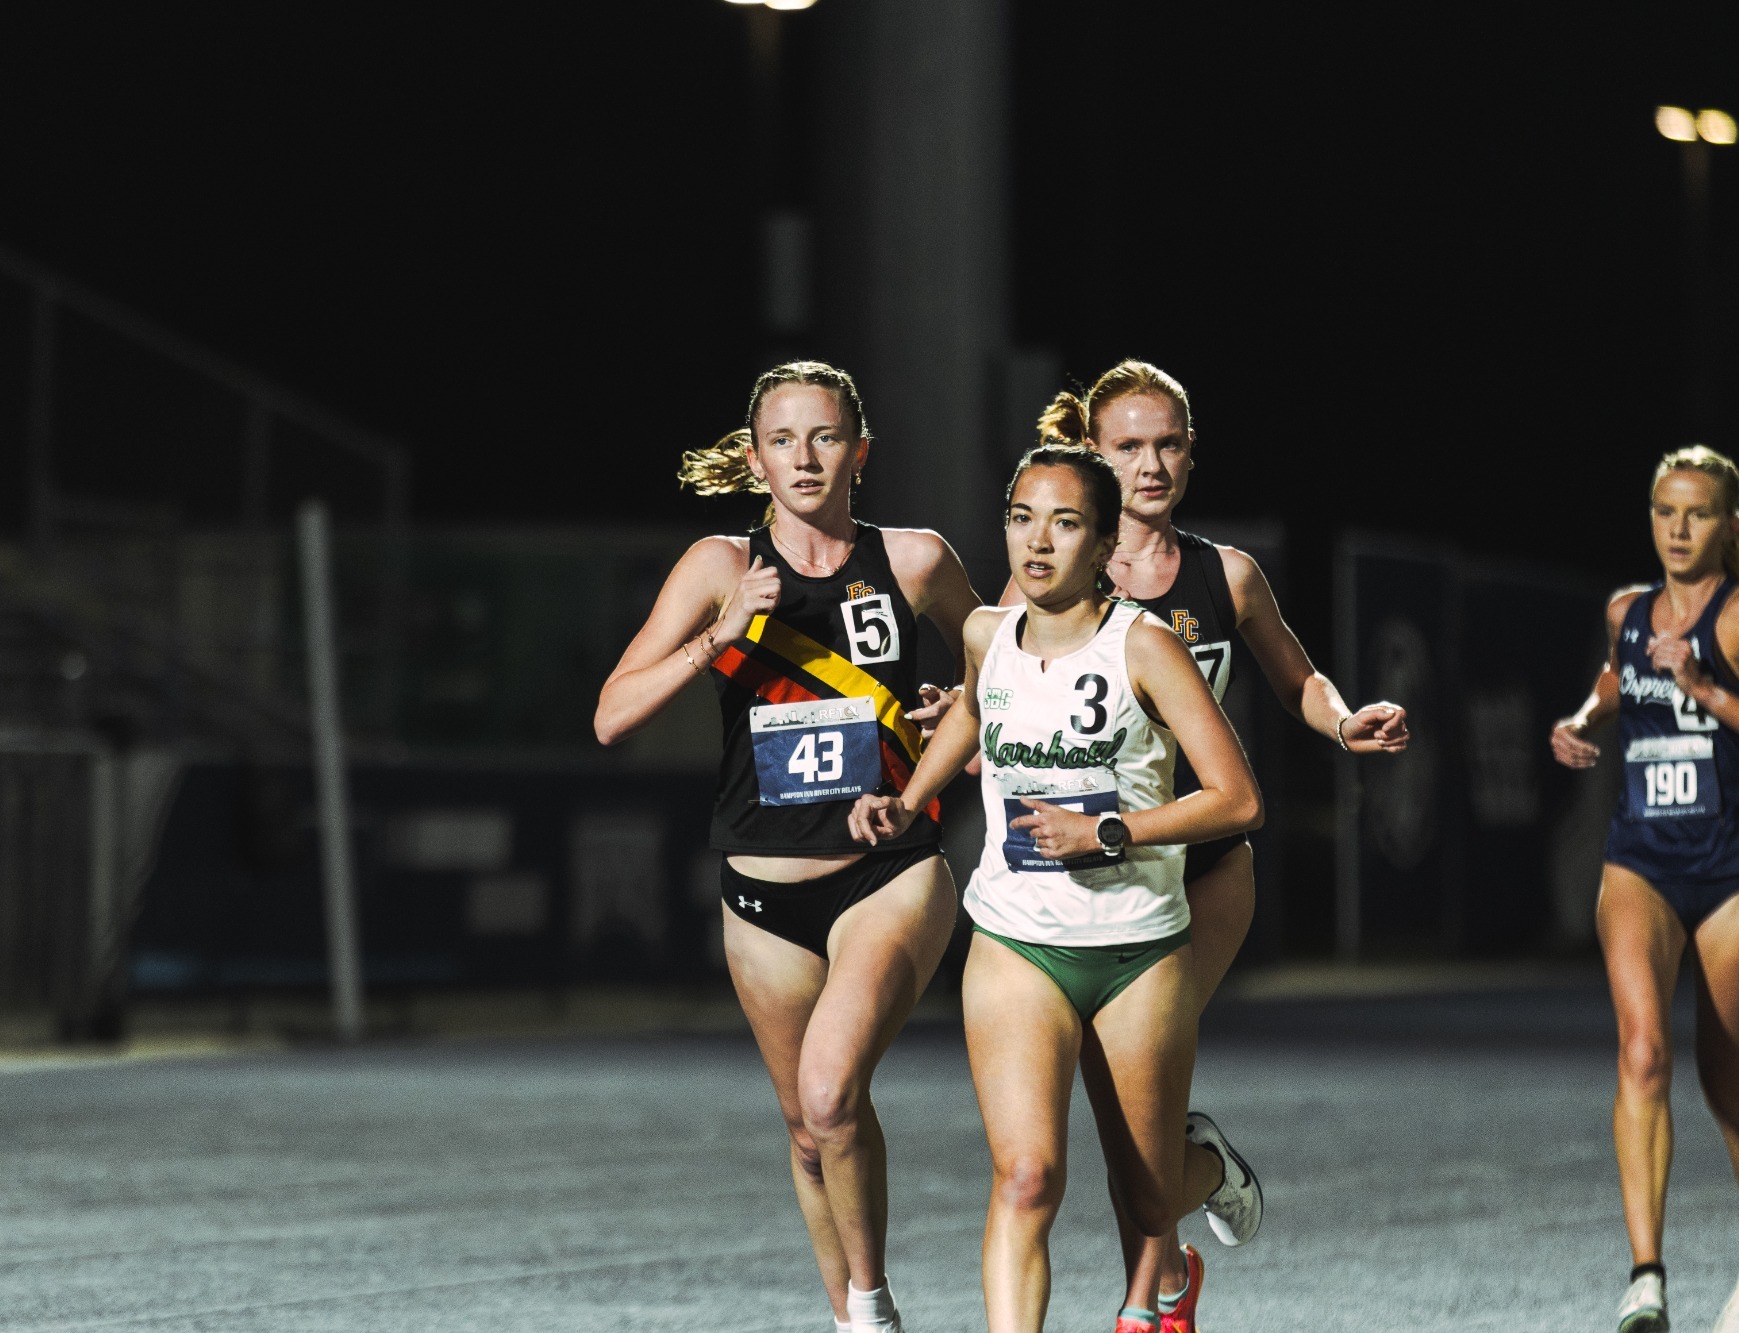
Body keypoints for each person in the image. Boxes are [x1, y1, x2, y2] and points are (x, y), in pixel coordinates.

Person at [1016, 360, 1409, 1329]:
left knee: (1137, 1096)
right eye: (1127, 447)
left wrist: (1340, 718)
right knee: (1124, 1118)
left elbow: (1296, 677)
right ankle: (1200, 1193)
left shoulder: (1225, 575)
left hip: (1204, 869)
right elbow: (1005, 685)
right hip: (1097, 873)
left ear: (1191, 455)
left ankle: (1144, 1305)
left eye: (1166, 445)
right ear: (1093, 455)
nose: (1149, 465)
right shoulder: (1054, 570)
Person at [595, 361, 981, 1333]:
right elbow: (610, 715)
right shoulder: (718, 567)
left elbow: (1002, 673)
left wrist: (958, 711)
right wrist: (719, 635)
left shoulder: (915, 560)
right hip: (761, 896)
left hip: (887, 874)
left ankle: (873, 1307)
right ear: (755, 459)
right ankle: (851, 1316)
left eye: (824, 437)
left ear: (860, 451)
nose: (804, 458)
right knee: (809, 1132)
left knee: (830, 1092)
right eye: (782, 440)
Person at [851, 444, 1263, 1333]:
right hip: (1016, 941)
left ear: (1105, 543)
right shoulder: (984, 633)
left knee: (1147, 1196)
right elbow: (974, 708)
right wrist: (909, 798)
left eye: (1065, 522)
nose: (1037, 541)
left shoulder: (1145, 646)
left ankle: (1211, 1171)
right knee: (1027, 1176)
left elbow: (1239, 797)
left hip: (1137, 949)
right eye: (1021, 518)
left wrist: (1106, 831)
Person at [1550, 445, 1739, 1333]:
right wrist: (1584, 715)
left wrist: (1705, 690)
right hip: (1640, 859)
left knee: (1727, 1079)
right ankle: (1646, 1277)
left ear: (1727, 524)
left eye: (1698, 513)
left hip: (1734, 873)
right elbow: (1618, 675)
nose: (1678, 529)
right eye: (1665, 511)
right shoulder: (1628, 610)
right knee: (1643, 1052)